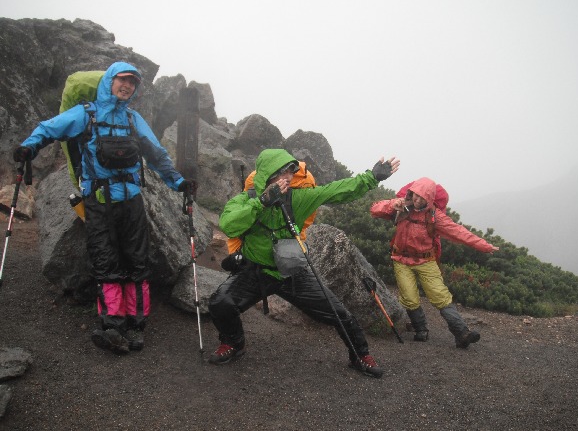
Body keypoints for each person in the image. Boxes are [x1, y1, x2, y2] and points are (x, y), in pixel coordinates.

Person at [13, 61, 196, 355]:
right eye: (122, 80)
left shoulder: (134, 120)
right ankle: (113, 324)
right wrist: (29, 147)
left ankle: (136, 324)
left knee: (137, 261)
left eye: (132, 83)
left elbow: (156, 154)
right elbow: (50, 129)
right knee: (106, 261)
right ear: (110, 81)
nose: (127, 86)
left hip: (132, 200)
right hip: (98, 201)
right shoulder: (86, 115)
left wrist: (179, 183)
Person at [208, 148, 400, 378]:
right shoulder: (245, 200)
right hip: (256, 270)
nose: (287, 177)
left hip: (291, 273)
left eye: (290, 172)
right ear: (266, 175)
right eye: (281, 173)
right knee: (220, 304)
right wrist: (261, 203)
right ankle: (234, 343)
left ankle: (360, 356)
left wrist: (372, 177)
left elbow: (335, 191)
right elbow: (229, 225)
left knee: (339, 313)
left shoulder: (298, 198)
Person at [370, 177, 499, 348]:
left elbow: (459, 232)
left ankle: (462, 333)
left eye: (422, 198)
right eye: (415, 195)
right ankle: (420, 330)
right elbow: (374, 209)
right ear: (411, 192)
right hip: (401, 259)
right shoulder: (402, 206)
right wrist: (392, 204)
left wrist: (485, 246)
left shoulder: (434, 216)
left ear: (430, 199)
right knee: (409, 298)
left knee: (440, 296)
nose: (417, 200)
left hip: (426, 261)